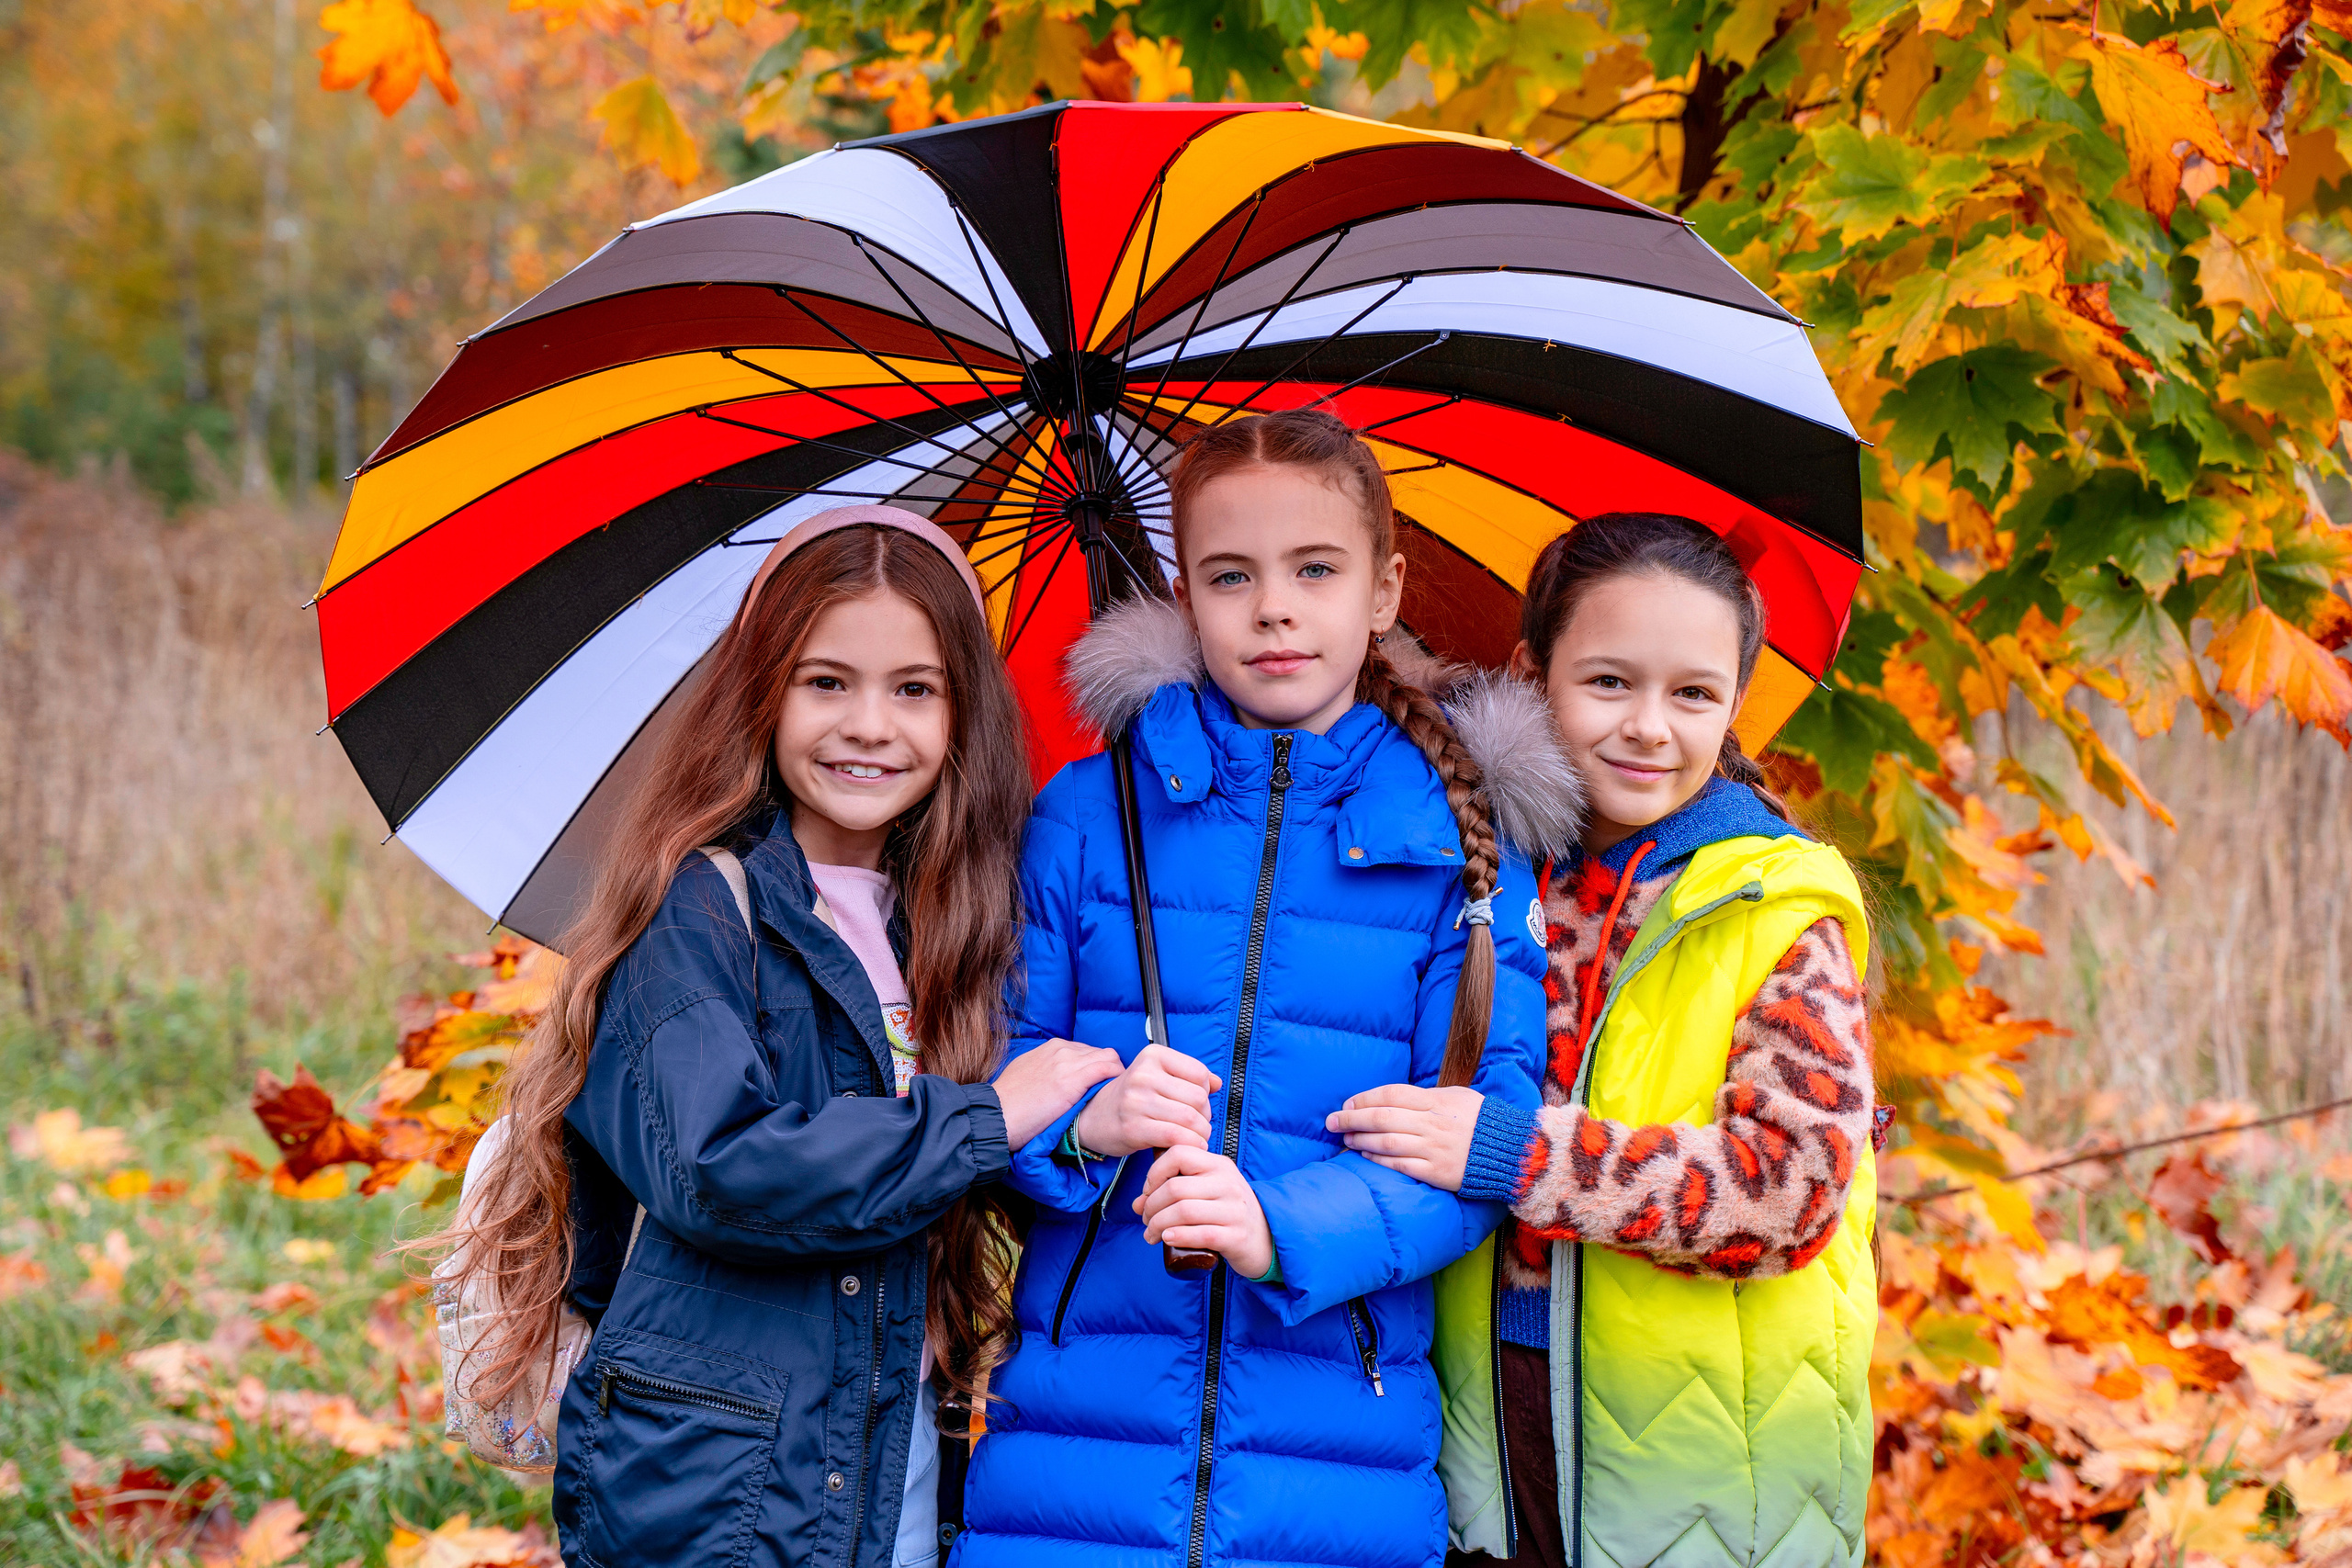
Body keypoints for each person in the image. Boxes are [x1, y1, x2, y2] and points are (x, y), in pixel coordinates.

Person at [953, 409, 1584, 1568]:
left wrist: (1277, 1230)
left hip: (1338, 1461)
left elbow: (1479, 1144)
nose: (1273, 608)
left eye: (1315, 570)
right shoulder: (1087, 816)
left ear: (1383, 591)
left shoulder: (1461, 847)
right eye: (1230, 575)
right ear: (1184, 594)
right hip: (1073, 1458)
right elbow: (991, 1077)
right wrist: (1085, 1124)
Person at [446, 506, 1125, 1568]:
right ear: (763, 691)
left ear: (963, 711)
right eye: (827, 682)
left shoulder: (949, 927)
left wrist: (1077, 1127)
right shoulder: (695, 915)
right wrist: (990, 1115)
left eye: (914, 689)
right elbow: (722, 1168)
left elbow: (942, 1175)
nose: (870, 725)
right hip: (716, 1479)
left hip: (892, 1443)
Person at [1328, 513, 1880, 1568]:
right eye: (1609, 682)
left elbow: (1789, 1188)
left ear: (1735, 704)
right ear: (1530, 673)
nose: (1649, 728)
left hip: (1706, 1479)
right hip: (1487, 1438)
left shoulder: (1769, 907)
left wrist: (1516, 1158)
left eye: (1693, 695)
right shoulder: (1477, 877)